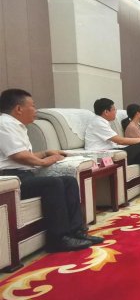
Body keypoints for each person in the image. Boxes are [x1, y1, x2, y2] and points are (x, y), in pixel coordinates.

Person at [0, 89, 103, 252]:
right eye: (33, 106)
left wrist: (46, 153)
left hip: (22, 175)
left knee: (68, 181)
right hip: (10, 179)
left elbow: (23, 154)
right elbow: (18, 156)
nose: (35, 110)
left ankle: (77, 231)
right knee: (53, 184)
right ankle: (58, 239)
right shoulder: (5, 124)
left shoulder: (16, 126)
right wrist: (43, 161)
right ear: (19, 109)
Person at [85, 98, 140, 198]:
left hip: (111, 151)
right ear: (106, 112)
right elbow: (120, 140)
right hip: (104, 155)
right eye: (114, 109)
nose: (116, 111)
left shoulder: (102, 121)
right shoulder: (98, 123)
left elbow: (118, 141)